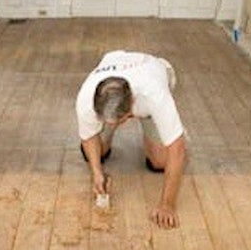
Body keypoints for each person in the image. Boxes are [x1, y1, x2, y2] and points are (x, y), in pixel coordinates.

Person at [76, 50, 186, 229]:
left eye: (121, 120)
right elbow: (89, 138)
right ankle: (110, 128)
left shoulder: (155, 95)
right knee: (96, 152)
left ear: (131, 107)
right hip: (116, 71)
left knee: (160, 162)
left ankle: (161, 124)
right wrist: (96, 173)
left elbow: (178, 149)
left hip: (153, 75)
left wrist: (167, 205)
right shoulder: (86, 99)